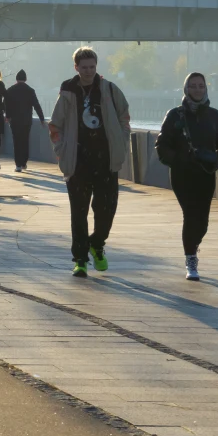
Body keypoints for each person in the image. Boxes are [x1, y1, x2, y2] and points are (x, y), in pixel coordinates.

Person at [49, 47, 131, 278]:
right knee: (79, 211)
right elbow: (56, 125)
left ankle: (97, 243)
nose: (88, 71)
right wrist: (61, 150)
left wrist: (122, 142)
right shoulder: (68, 91)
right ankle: (80, 259)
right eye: (84, 67)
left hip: (106, 160)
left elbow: (124, 116)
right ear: (76, 67)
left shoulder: (109, 89)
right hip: (77, 161)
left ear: (96, 66)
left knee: (107, 209)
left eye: (92, 67)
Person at [155, 72, 218, 281]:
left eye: (201, 86)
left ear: (206, 89)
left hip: (206, 173)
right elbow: (161, 145)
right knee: (190, 214)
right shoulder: (175, 115)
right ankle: (191, 260)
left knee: (203, 221)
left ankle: (193, 245)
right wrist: (179, 160)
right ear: (186, 89)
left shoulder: (214, 115)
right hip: (183, 175)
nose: (197, 89)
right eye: (193, 86)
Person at [4, 69, 46, 172]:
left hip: (14, 120)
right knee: (25, 140)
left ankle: (18, 165)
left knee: (16, 141)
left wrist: (8, 116)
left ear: (16, 79)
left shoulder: (10, 90)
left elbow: (6, 105)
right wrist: (41, 118)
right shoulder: (30, 90)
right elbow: (36, 105)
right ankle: (24, 163)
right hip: (26, 120)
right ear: (25, 79)